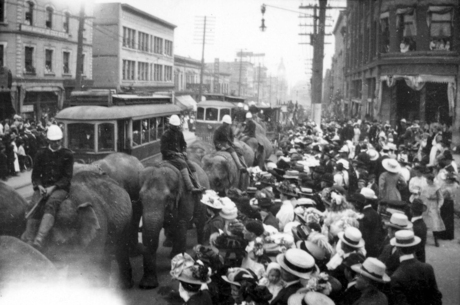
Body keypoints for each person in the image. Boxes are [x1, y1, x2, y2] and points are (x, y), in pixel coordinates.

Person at [21, 125, 74, 249]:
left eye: (58, 141)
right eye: (53, 141)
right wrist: (39, 186)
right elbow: (35, 175)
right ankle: (29, 238)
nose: (56, 144)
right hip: (43, 187)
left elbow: (67, 177)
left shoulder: (67, 154)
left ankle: (39, 238)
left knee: (51, 204)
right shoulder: (41, 153)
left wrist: (53, 187)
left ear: (61, 140)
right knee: (34, 204)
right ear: (48, 141)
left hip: (60, 189)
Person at [390, 230, 443, 305]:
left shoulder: (396, 277)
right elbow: (436, 297)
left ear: (398, 250)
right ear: (414, 248)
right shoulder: (428, 268)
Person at [161, 114, 205, 194]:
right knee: (183, 164)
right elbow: (164, 150)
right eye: (174, 126)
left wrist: (184, 151)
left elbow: (184, 144)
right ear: (170, 125)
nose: (176, 128)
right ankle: (190, 187)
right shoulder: (165, 135)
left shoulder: (179, 133)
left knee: (191, 166)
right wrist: (175, 153)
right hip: (169, 158)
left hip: (179, 156)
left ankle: (198, 185)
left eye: (177, 126)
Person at [420, 173, 445, 247]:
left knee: (434, 223)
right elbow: (422, 196)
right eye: (427, 179)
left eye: (428, 180)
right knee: (424, 223)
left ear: (431, 180)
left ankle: (436, 240)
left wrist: (439, 206)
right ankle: (424, 239)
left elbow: (441, 198)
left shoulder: (437, 187)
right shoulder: (424, 187)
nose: (427, 181)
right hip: (426, 205)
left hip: (434, 206)